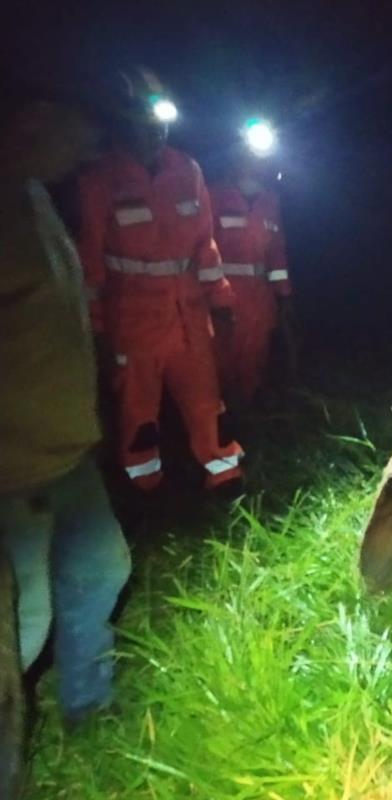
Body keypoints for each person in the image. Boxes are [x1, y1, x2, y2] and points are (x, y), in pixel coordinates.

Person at [0, 89, 132, 774]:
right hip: (14, 473)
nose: (90, 150)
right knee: (20, 632)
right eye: (79, 131)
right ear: (30, 119)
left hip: (66, 455)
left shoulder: (36, 196)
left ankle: (90, 709)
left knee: (102, 568)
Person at [78, 68, 244, 492]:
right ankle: (144, 485)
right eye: (144, 121)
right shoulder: (100, 180)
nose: (155, 131)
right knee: (138, 411)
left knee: (207, 402)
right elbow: (90, 264)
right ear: (123, 122)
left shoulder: (186, 169)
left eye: (161, 121)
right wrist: (97, 331)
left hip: (188, 319)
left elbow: (205, 246)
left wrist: (221, 300)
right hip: (132, 324)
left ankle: (224, 473)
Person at [209, 138, 295, 410]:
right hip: (222, 295)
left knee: (254, 359)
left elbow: (277, 253)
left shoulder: (270, 202)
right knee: (219, 362)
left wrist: (284, 296)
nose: (255, 165)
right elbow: (201, 246)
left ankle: (246, 418)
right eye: (249, 158)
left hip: (259, 299)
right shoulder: (212, 195)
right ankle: (219, 421)